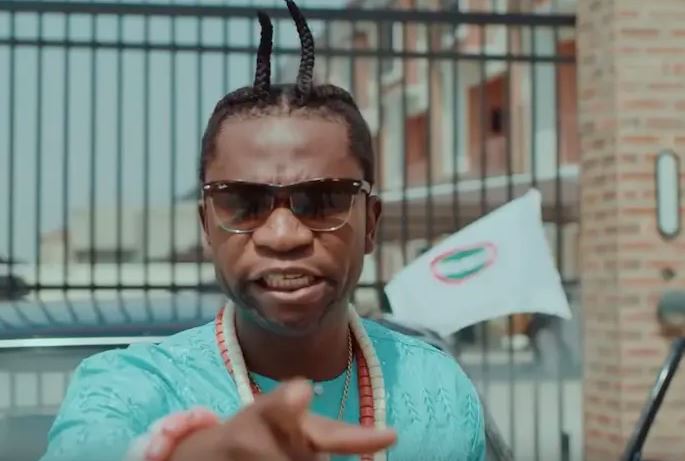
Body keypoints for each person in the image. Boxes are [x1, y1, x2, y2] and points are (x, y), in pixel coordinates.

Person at [40, 2, 486, 460]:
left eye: (322, 200)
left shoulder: (440, 387)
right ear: (207, 226)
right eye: (244, 204)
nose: (283, 235)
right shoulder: (125, 388)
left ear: (370, 222)